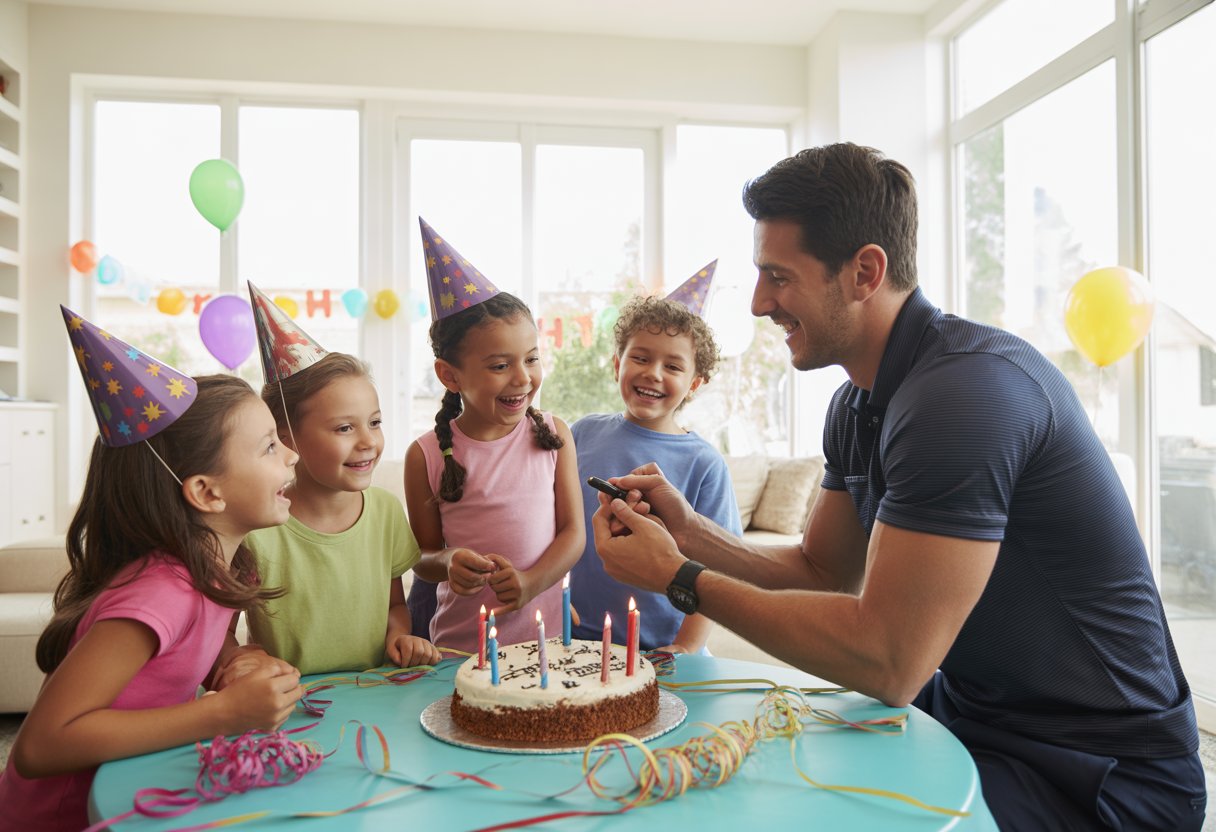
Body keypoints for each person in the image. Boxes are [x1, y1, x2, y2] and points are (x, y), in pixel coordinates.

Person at [591, 143, 1207, 830]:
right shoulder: (856, 403)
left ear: (864, 272)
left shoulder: (966, 392)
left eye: (778, 276)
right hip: (972, 715)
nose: (761, 303)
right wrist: (689, 533)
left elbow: (888, 660)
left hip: (1099, 772)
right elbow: (822, 571)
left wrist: (681, 578)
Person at [0, 309, 304, 832]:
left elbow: (177, 659)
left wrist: (234, 662)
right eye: (270, 446)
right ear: (206, 492)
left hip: (134, 797)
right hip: (66, 818)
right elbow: (40, 746)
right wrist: (224, 714)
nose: (293, 456)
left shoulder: (218, 568)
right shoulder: (159, 594)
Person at [234, 285, 440, 676]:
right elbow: (224, 637)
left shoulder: (385, 511)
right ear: (286, 436)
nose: (368, 442)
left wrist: (399, 635)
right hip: (294, 709)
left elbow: (396, 605)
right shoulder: (256, 529)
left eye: (375, 423)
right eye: (345, 427)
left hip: (376, 696)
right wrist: (248, 662)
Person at [404, 218, 583, 653]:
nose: (522, 378)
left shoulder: (554, 436)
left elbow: (573, 533)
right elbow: (421, 559)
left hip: (549, 643)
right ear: (450, 375)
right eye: (500, 366)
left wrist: (529, 584)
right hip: (463, 649)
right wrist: (446, 562)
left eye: (532, 359)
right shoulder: (424, 456)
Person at [570, 264, 740, 654]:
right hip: (577, 640)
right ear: (617, 364)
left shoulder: (705, 464)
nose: (653, 374)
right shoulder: (581, 434)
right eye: (641, 358)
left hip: (663, 650)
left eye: (673, 366)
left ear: (695, 384)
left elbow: (719, 570)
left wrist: (686, 647)